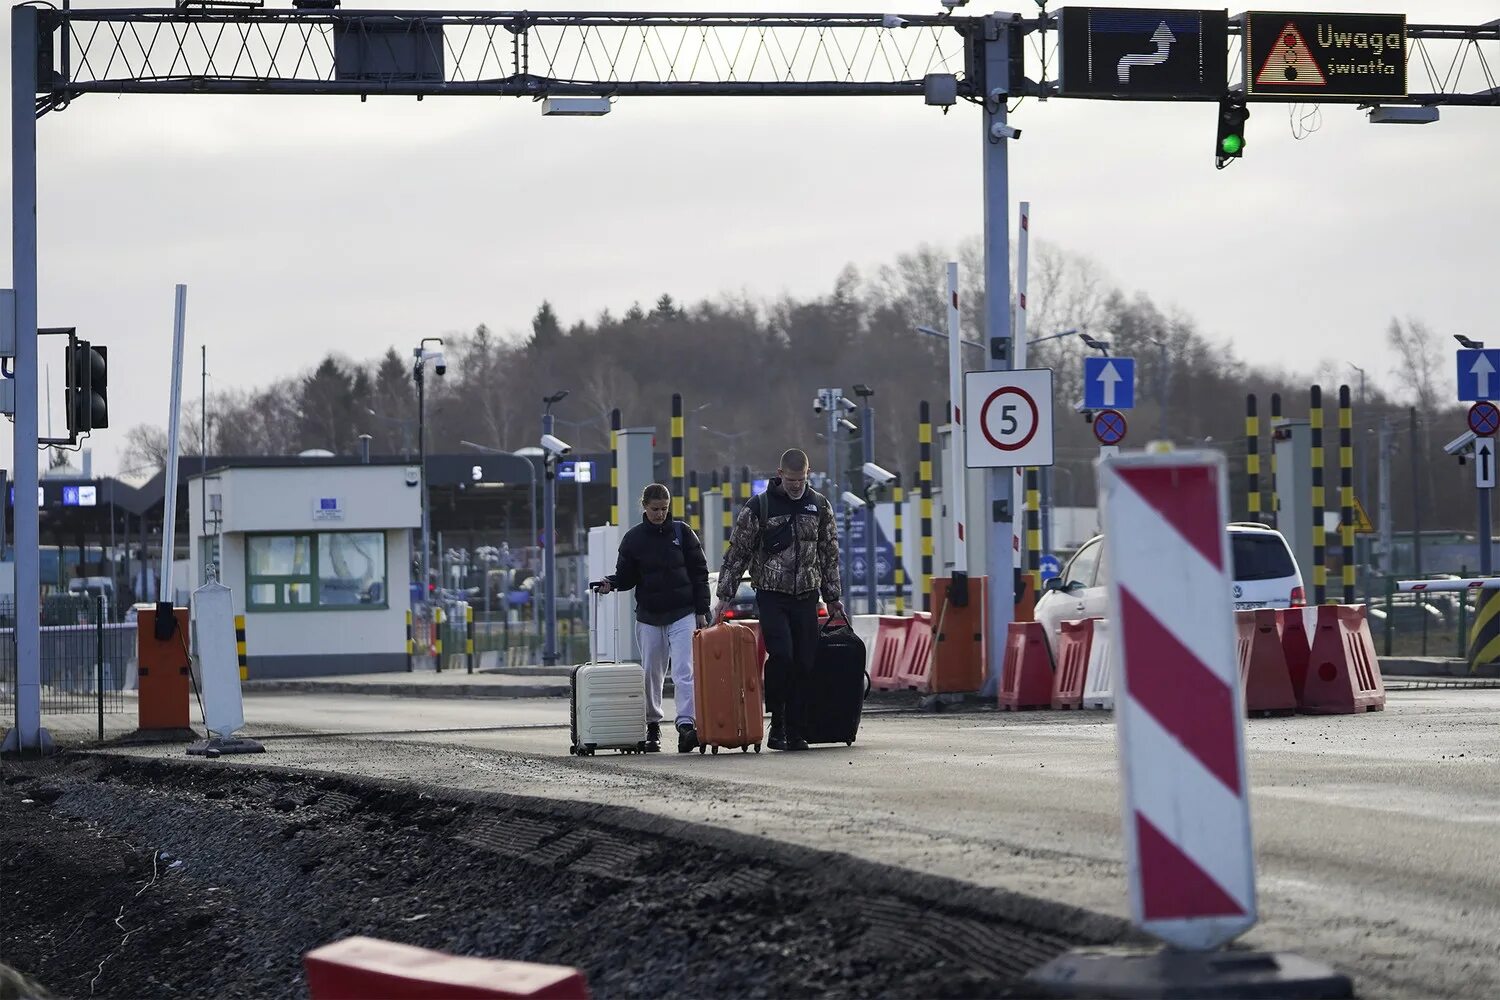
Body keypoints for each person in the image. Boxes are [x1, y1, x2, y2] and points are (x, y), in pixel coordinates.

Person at [713, 449, 844, 752]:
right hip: (771, 595)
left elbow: (829, 554)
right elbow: (738, 553)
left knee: (805, 662)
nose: (797, 485)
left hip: (806, 597)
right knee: (782, 655)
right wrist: (724, 596)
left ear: (808, 474)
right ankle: (779, 720)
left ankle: (797, 730)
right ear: (780, 474)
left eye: (802, 479)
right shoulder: (760, 506)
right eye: (792, 480)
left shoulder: (820, 506)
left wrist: (833, 596)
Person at [594, 484, 709, 753]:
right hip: (649, 616)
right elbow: (627, 577)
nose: (660, 514)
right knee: (651, 674)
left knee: (684, 671)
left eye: (664, 509)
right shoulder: (634, 539)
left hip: (683, 613)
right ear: (644, 507)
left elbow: (699, 573)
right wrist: (611, 583)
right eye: (655, 509)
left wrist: (702, 610)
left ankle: (686, 725)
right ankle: (653, 725)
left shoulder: (683, 533)